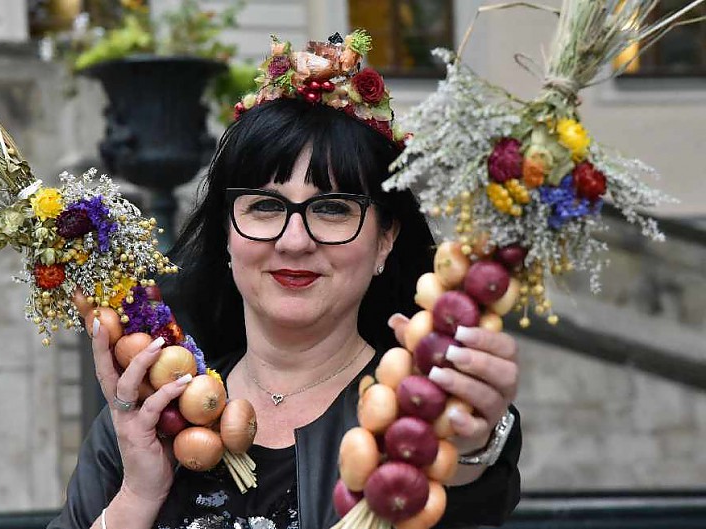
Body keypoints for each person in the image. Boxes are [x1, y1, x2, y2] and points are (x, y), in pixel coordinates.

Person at [48, 32, 521, 529]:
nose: (295, 241)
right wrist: (139, 494)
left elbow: (468, 496)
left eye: (333, 208)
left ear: (385, 241)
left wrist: (468, 446)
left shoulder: (419, 414)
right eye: (266, 206)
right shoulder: (145, 419)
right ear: (227, 233)